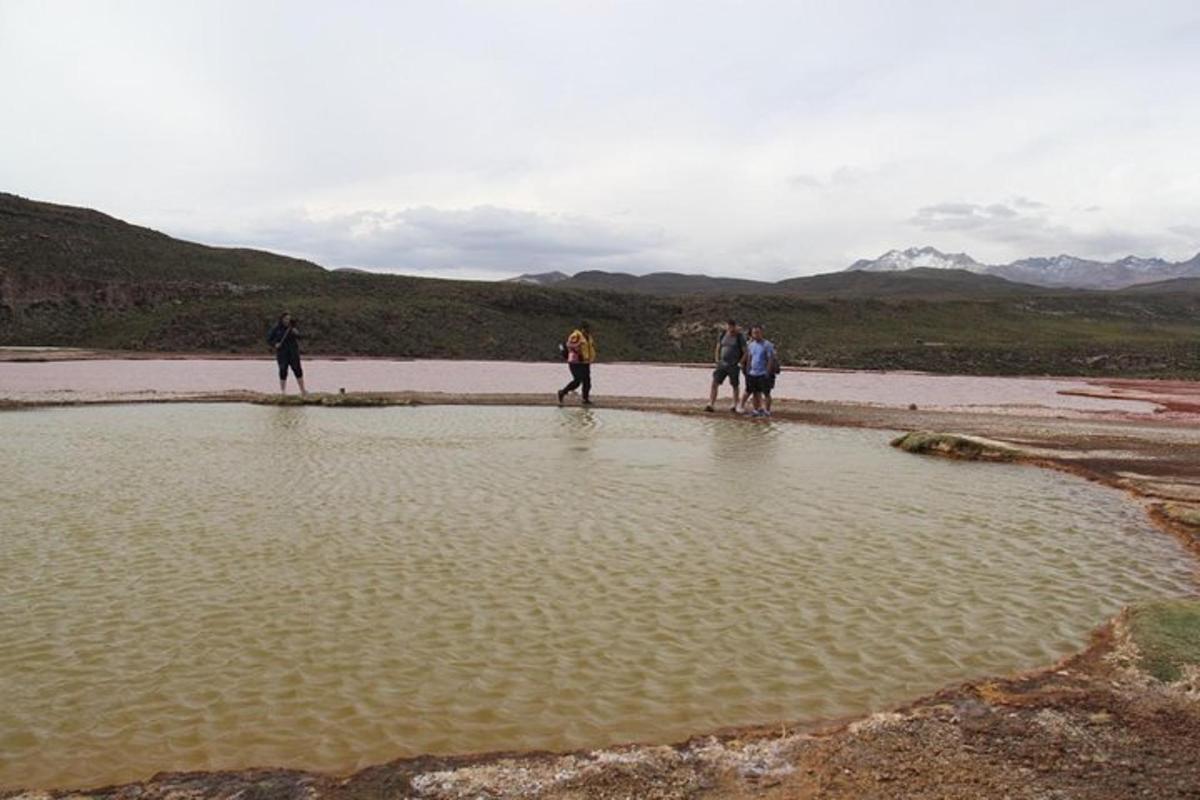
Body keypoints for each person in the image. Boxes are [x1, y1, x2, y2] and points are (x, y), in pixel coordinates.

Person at [706, 319, 747, 413]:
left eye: (732, 326)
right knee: (715, 383)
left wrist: (740, 363)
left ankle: (734, 404)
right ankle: (711, 403)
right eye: (729, 326)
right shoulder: (723, 334)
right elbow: (718, 347)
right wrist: (717, 360)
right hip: (722, 364)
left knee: (735, 385)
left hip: (733, 365)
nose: (730, 328)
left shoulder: (740, 337)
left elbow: (746, 352)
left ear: (735, 326)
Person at [267, 312, 307, 395]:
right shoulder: (276, 328)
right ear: (282, 319)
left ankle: (302, 390)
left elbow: (300, 337)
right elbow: (269, 339)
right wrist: (275, 344)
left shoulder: (292, 328)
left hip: (293, 351)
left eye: (289, 319)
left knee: (297, 369)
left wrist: (296, 333)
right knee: (283, 369)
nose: (287, 321)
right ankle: (283, 391)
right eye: (286, 319)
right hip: (282, 352)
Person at [557, 321, 596, 405]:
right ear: (582, 329)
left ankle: (585, 399)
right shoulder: (576, 335)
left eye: (589, 328)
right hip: (575, 362)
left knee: (587, 381)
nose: (588, 330)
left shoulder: (589, 337)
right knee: (577, 380)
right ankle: (562, 392)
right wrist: (579, 354)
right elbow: (569, 345)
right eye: (586, 329)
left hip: (585, 362)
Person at [744, 323, 777, 417]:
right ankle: (756, 410)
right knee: (755, 392)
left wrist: (768, 371)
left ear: (761, 333)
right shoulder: (751, 345)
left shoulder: (767, 345)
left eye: (758, 333)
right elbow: (749, 357)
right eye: (754, 333)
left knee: (766, 392)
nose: (756, 335)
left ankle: (767, 410)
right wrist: (748, 369)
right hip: (753, 373)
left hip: (763, 372)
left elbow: (770, 358)